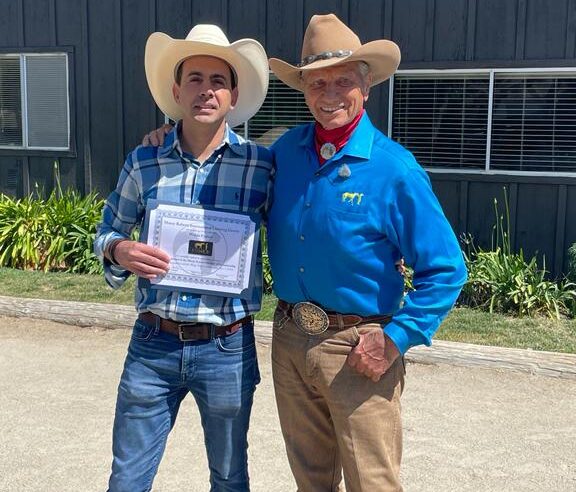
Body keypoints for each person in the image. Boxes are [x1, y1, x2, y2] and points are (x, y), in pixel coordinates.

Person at [142, 14, 467, 492]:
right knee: (311, 479)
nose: (329, 94)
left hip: (360, 346)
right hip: (292, 337)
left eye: (341, 81)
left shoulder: (394, 169)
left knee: (371, 482)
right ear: (304, 90)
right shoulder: (287, 152)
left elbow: (446, 269)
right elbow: (219, 158)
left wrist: (396, 337)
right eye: (317, 83)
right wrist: (167, 138)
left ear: (366, 87)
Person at [94, 24, 273, 492]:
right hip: (153, 343)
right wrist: (119, 249)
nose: (206, 90)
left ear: (233, 95)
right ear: (176, 91)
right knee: (127, 479)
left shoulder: (261, 165)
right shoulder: (144, 161)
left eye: (218, 80)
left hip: (227, 346)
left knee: (230, 478)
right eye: (194, 78)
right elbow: (108, 229)